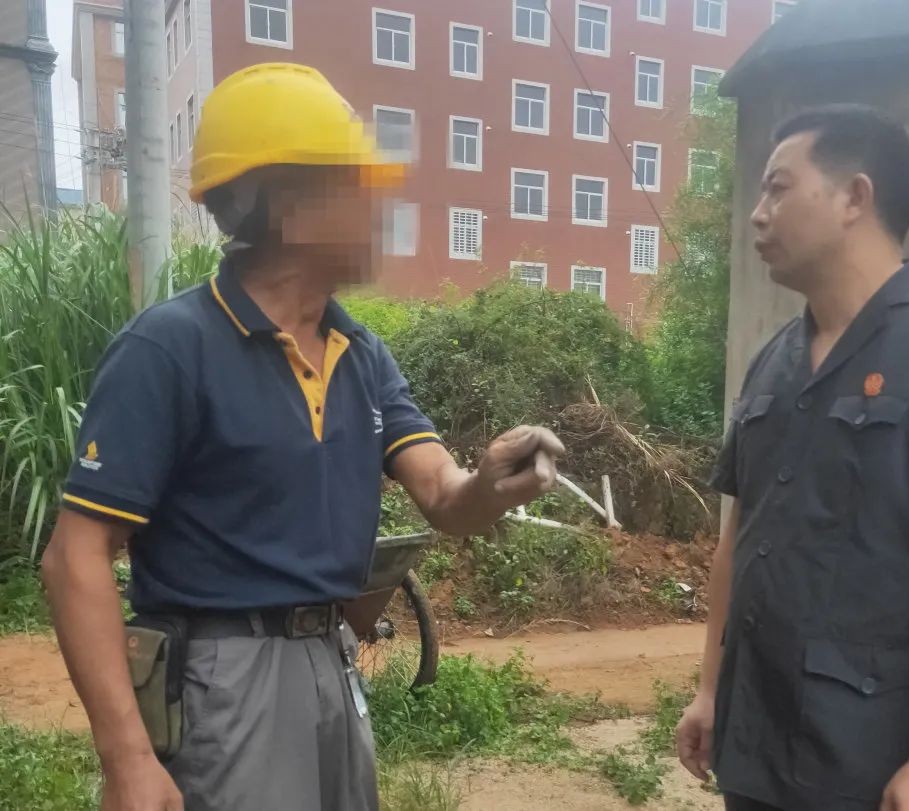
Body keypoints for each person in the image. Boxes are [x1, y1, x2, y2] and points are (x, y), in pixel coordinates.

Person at [42, 63, 565, 811]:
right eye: (359, 187)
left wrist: (491, 483)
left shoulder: (363, 354)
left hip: (333, 658)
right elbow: (75, 557)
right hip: (225, 679)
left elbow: (444, 497)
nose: (381, 210)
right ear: (290, 203)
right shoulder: (171, 348)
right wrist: (127, 758)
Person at [675, 104, 909, 811]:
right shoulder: (773, 360)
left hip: (868, 758)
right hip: (754, 743)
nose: (757, 214)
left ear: (854, 197)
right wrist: (712, 690)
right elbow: (738, 536)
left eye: (778, 188)